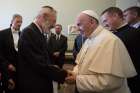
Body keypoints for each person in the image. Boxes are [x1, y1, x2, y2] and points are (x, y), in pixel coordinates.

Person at [65, 10, 137, 93]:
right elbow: (80, 63)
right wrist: (74, 73)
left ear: (92, 22)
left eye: (79, 24)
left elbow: (110, 82)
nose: (77, 29)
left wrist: (77, 80)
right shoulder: (89, 39)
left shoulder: (110, 41)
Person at [101, 7, 140, 93]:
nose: (104, 25)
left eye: (105, 21)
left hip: (131, 80)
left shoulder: (135, 33)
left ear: (115, 16)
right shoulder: (114, 34)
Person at [0, 14, 22, 93]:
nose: (19, 24)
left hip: (19, 71)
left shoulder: (22, 34)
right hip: (6, 71)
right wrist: (8, 65)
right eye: (17, 22)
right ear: (12, 22)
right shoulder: (2, 33)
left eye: (21, 22)